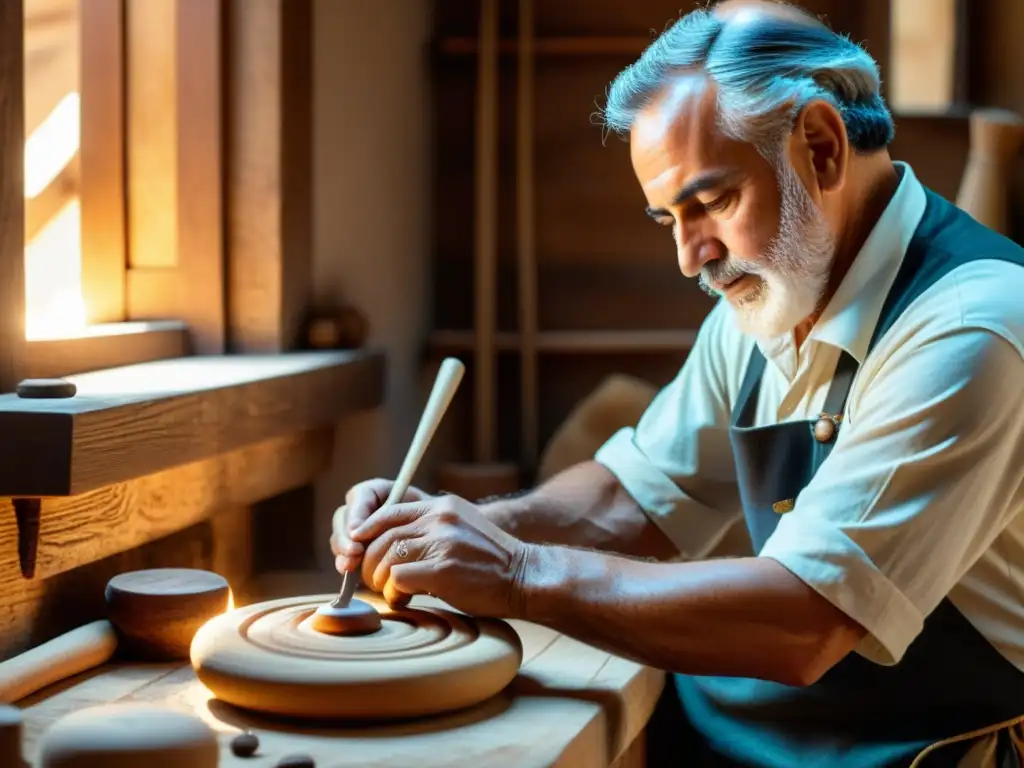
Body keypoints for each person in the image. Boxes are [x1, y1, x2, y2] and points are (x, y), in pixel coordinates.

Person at [331, 1, 1024, 765]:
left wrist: (519, 572)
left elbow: (805, 621)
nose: (692, 257)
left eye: (713, 202)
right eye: (669, 219)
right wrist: (461, 525)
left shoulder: (971, 327)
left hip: (918, 747)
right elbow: (638, 495)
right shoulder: (774, 296)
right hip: (738, 730)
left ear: (822, 147)